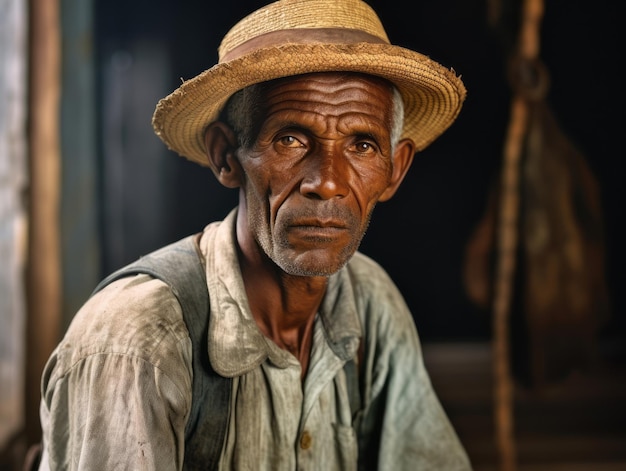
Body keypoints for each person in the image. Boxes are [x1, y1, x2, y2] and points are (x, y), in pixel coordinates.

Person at [37, 0, 472, 469]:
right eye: (290, 140)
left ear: (395, 169)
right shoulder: (137, 342)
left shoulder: (369, 304)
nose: (326, 181)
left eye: (362, 145)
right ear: (226, 156)